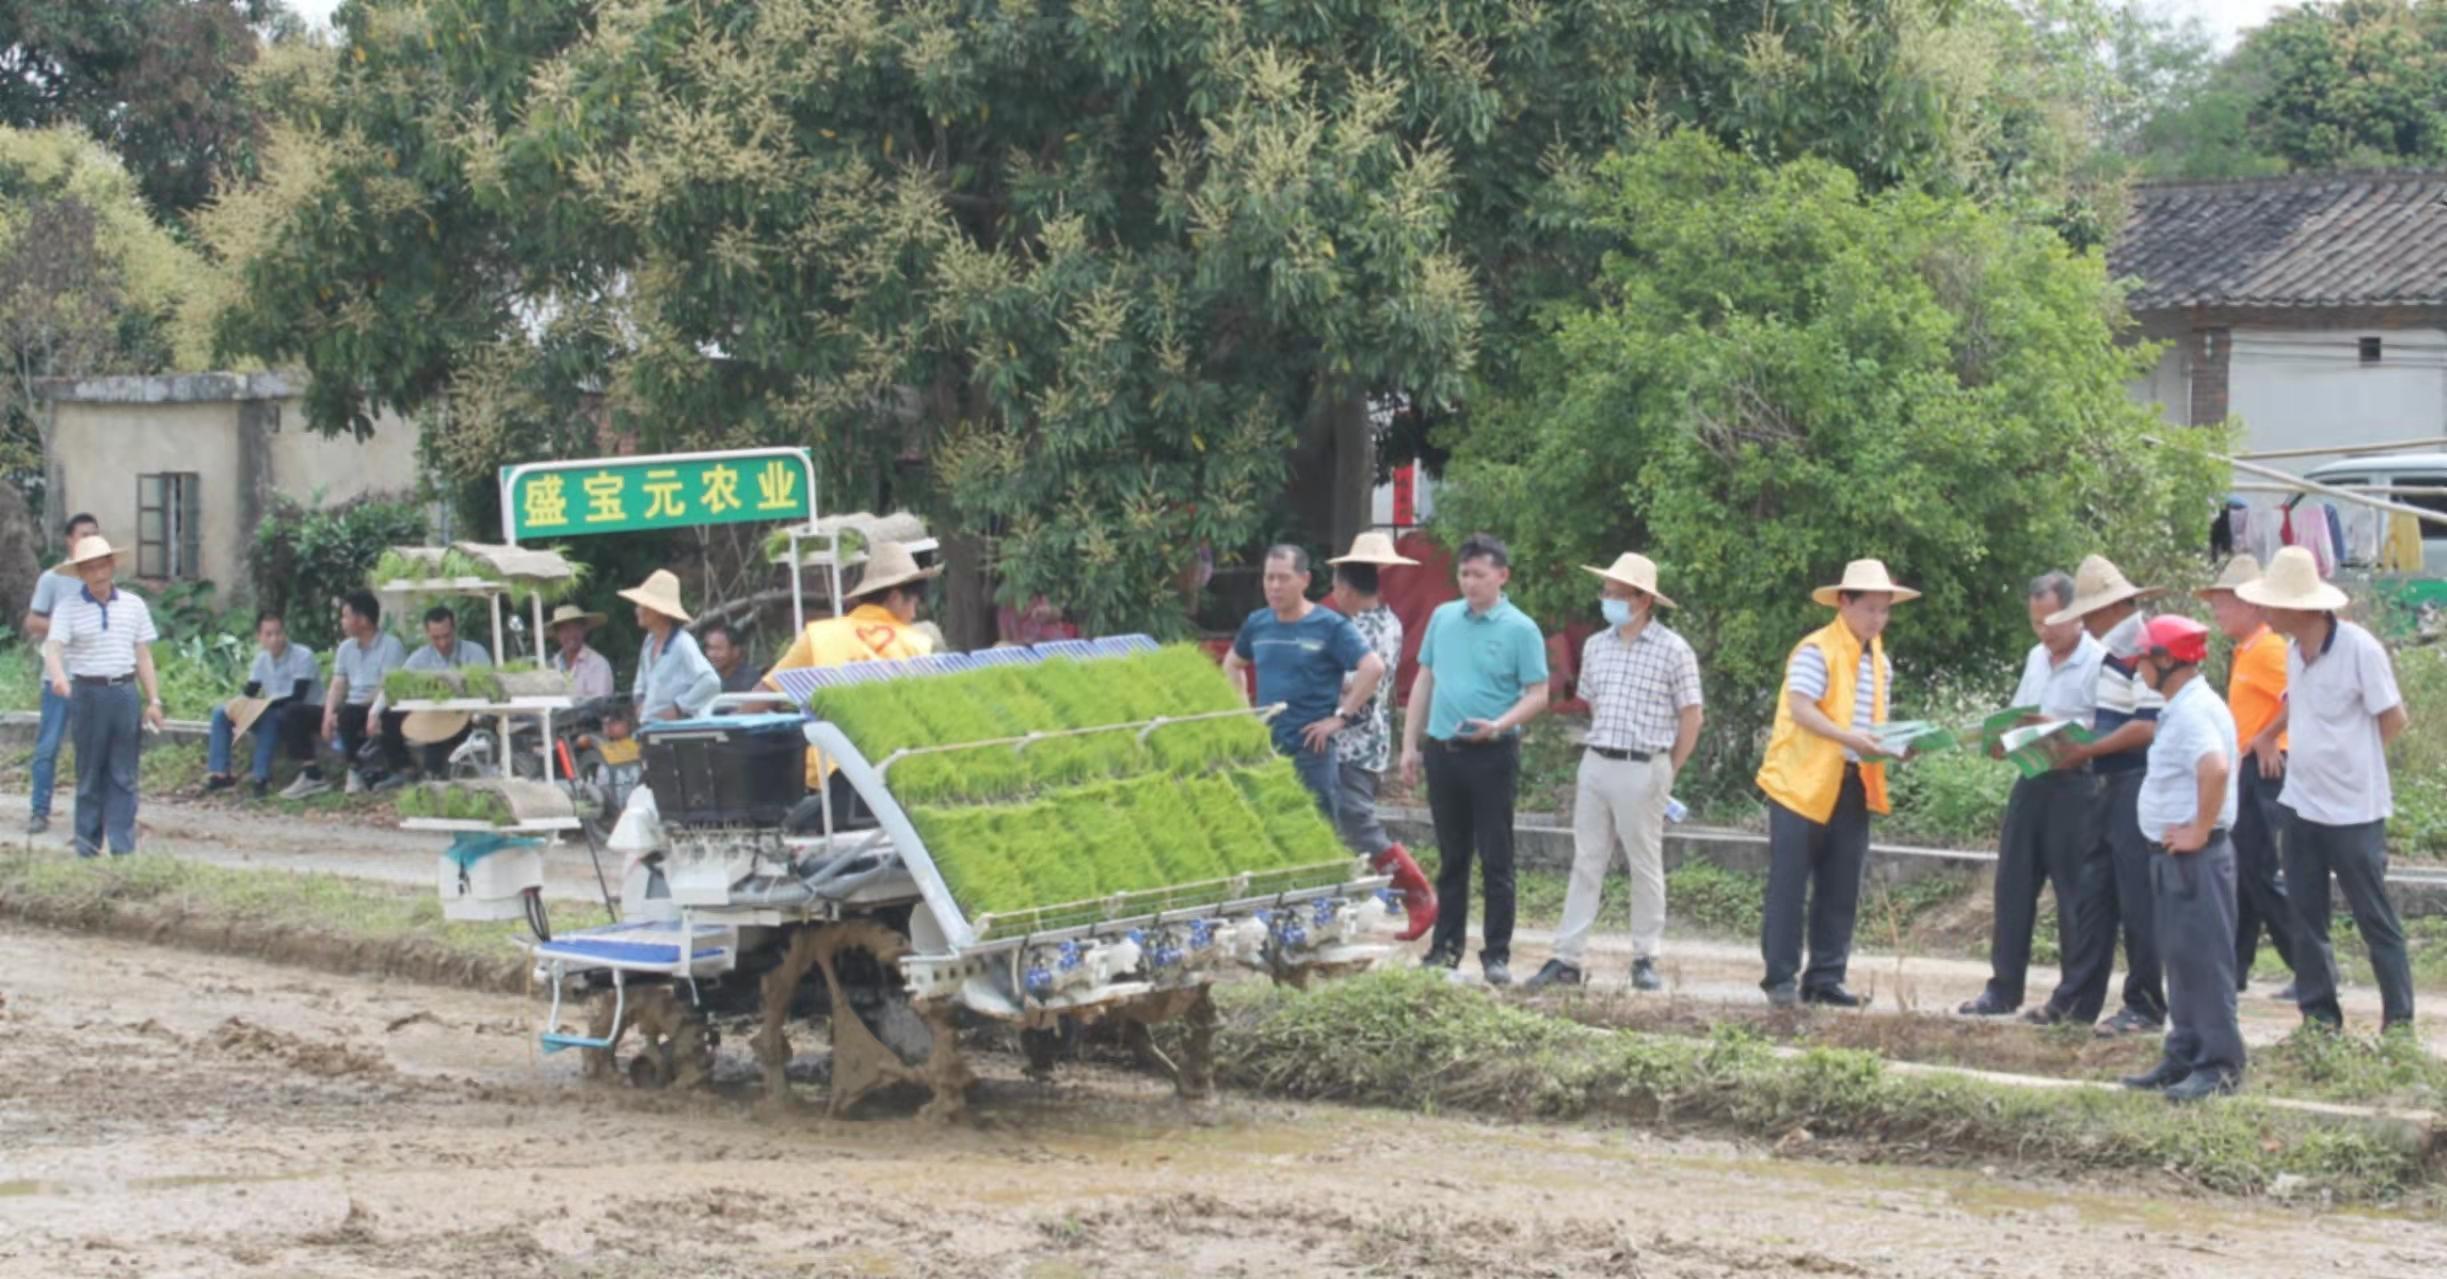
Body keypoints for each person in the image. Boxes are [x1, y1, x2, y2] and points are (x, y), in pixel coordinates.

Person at [2240, 547, 2416, 1034]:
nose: (2266, 612)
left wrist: (2357, 760)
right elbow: (2295, 702)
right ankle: (2319, 1020)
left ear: (2301, 608)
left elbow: (2393, 717)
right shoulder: (2296, 653)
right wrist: (2269, 734)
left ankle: (2398, 1024)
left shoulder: (2360, 649)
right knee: (2305, 915)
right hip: (2302, 804)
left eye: (2272, 604)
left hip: (2355, 810)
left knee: (2373, 918)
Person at [1527, 552, 1703, 994]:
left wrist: (1668, 771)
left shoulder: (1673, 650)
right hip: (1598, 761)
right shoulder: (1597, 645)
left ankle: (1646, 956)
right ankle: (1566, 957)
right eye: (1606, 592)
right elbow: (1595, 703)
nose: (1607, 600)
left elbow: (1692, 717)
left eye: (1615, 594)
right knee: (1587, 861)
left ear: (1643, 599)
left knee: (1645, 865)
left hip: (1645, 765)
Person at [1755, 559, 1917, 1009]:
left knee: (1841, 884)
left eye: (1885, 610)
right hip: (1800, 784)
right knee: (1789, 885)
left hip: (1852, 780)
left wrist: (1896, 745)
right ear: (1843, 602)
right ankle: (1781, 979)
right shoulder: (1815, 649)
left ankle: (1825, 978)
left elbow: (1871, 723)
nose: (1878, 619)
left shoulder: (1879, 660)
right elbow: (1802, 708)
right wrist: (1851, 738)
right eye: (1870, 608)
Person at [1399, 533, 1550, 987]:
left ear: (1501, 576)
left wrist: (1500, 725)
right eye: (1464, 574)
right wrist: (1410, 744)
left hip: (1492, 754)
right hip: (1443, 752)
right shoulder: (1444, 618)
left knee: (1496, 857)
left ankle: (1496, 954)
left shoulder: (1520, 629)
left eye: (1479, 575)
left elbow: (1539, 693)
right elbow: (1424, 680)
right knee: (1452, 857)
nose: (1470, 583)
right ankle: (1445, 949)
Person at [2027, 554, 2167, 1037]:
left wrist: (2086, 748)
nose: (2084, 622)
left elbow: (2147, 727)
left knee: (2136, 898)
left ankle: (2145, 1003)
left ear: (2110, 609)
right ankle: (2076, 998)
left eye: (2089, 612)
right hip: (2104, 781)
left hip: (2135, 782)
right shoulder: (2113, 650)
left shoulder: (2146, 648)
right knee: (2094, 894)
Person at [1959, 571, 2104, 1017]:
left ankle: (2074, 997)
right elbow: (2020, 714)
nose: (2044, 632)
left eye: (2052, 622)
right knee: (2014, 884)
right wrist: (2003, 738)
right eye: (2036, 622)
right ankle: (2003, 989)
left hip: (2078, 787)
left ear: (2076, 614)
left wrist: (2061, 733)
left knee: (2075, 895)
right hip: (2032, 778)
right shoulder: (2036, 657)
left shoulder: (2101, 662)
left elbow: (2107, 729)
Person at [2118, 614, 2245, 1103]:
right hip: (2174, 856)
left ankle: (2219, 1065)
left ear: (2167, 660)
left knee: (2204, 960)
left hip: (2195, 857)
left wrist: (2199, 829)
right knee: (2181, 958)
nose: (2139, 669)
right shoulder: (2182, 705)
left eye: (2144, 660)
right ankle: (2185, 1053)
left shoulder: (2193, 712)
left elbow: (2213, 769)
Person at [762, 541, 940, 808]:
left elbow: (763, 694)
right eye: (913, 602)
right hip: (899, 771)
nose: (914, 613)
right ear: (893, 597)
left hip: (831, 774)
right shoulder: (917, 644)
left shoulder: (819, 636)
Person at [2197, 555, 2301, 1001]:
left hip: (2270, 767)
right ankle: (2233, 968)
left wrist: (2266, 737)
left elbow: (2303, 693)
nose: (2217, 612)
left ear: (2251, 606)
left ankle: (2310, 965)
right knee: (2243, 873)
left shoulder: (2270, 649)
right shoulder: (2248, 651)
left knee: (2262, 871)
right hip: (2249, 768)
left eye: (2224, 603)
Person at [1323, 532, 1436, 942]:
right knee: (1339, 822)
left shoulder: (1365, 629)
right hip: (1355, 741)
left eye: (1336, 584)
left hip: (1355, 741)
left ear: (1347, 588)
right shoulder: (1380, 621)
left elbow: (1358, 681)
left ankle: (1415, 893)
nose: (1333, 592)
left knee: (1358, 821)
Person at [1222, 544, 1386, 817]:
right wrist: (1246, 717)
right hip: (1266, 750)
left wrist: (1340, 718)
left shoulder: (1330, 626)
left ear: (1305, 580)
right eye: (1269, 577)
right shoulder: (1258, 623)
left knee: (1319, 834)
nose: (1274, 586)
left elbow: (1373, 668)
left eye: (1283, 578)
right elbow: (1232, 663)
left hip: (1312, 753)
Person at [38, 535, 165, 857]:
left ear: (112, 567)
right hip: (88, 693)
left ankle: (123, 848)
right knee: (90, 772)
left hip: (124, 692)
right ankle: (87, 847)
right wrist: (58, 678)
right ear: (81, 573)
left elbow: (143, 656)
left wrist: (153, 701)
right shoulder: (69, 608)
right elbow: (53, 647)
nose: (98, 574)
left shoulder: (133, 605)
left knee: (124, 773)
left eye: (102, 566)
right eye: (90, 568)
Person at [21, 511, 99, 834]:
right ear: (70, 540)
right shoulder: (53, 578)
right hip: (57, 677)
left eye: (95, 535)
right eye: (84, 535)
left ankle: (90, 814)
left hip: (93, 676)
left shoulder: (101, 576)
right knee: (48, 746)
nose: (90, 541)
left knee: (92, 749)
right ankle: (40, 810)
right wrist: (65, 627)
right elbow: (33, 622)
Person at [203, 610, 324, 800]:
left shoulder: (302, 655)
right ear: (260, 637)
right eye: (268, 634)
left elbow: (298, 696)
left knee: (271, 717)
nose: (275, 639)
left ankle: (261, 778)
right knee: (221, 712)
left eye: (278, 633)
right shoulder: (261, 659)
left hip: (300, 712)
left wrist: (264, 705)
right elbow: (250, 691)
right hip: (272, 708)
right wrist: (237, 706)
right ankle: (220, 773)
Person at [318, 591, 410, 795]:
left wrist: (371, 708)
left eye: (345, 616)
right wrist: (327, 714)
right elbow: (338, 684)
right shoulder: (345, 649)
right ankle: (356, 771)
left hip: (385, 702)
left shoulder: (391, 646)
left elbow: (388, 686)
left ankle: (400, 770)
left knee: (387, 716)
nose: (342, 621)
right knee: (345, 717)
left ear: (363, 620)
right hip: (356, 706)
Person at [398, 604, 493, 777]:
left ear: (454, 628)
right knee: (433, 730)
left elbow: (489, 687)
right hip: (438, 719)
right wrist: (374, 712)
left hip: (472, 718)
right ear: (427, 634)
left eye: (447, 636)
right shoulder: (420, 657)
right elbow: (398, 682)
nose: (443, 643)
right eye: (436, 638)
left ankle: (437, 774)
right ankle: (431, 776)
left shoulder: (475, 652)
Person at [621, 570, 720, 722]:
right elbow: (640, 682)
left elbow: (711, 682)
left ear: (658, 611)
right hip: (652, 728)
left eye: (642, 605)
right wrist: (639, 701)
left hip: (677, 732)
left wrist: (679, 707)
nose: (637, 610)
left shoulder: (683, 643)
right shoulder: (649, 641)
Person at [545, 604, 615, 701]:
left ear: (584, 630)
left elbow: (601, 705)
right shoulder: (551, 666)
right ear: (557, 635)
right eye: (564, 629)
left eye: (576, 628)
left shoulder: (597, 664)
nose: (571, 634)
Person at [701, 623, 762, 700]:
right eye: (710, 648)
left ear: (736, 651)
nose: (712, 654)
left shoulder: (749, 679)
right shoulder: (707, 675)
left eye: (718, 649)